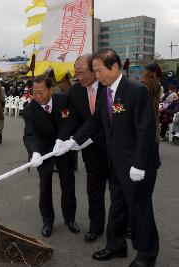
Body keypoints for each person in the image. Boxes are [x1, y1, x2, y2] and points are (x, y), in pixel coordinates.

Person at [57, 48, 160, 267]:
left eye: (99, 70)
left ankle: (146, 254)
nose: (97, 75)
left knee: (139, 210)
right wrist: (73, 141)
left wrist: (139, 164)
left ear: (114, 66)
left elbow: (146, 131)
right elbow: (96, 121)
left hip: (137, 165)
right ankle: (116, 246)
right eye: (94, 70)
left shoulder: (136, 91)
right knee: (118, 207)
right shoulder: (105, 92)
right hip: (117, 162)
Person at [60, 54, 109, 243]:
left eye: (81, 73)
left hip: (114, 149)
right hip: (91, 151)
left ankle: (125, 225)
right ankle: (96, 226)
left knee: (119, 190)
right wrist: (64, 139)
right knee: (94, 189)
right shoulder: (75, 91)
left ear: (95, 70)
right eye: (75, 73)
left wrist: (86, 137)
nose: (77, 77)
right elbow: (73, 118)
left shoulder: (108, 87)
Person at [23, 75, 79, 238]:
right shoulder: (29, 110)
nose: (38, 96)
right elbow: (29, 134)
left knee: (68, 185)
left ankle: (70, 219)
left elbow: (71, 120)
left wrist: (62, 139)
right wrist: (34, 152)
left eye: (41, 92)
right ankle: (48, 221)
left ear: (50, 89)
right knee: (45, 187)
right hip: (43, 152)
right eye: (34, 92)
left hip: (63, 149)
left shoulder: (63, 100)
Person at [141, 62, 163, 142]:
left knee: (148, 131)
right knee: (155, 127)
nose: (143, 72)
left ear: (147, 72)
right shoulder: (156, 83)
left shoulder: (146, 83)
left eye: (144, 70)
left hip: (147, 108)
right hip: (155, 107)